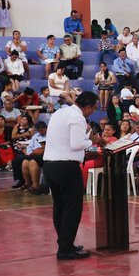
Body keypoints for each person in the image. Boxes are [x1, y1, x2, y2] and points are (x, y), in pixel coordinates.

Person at [42, 91, 99, 259]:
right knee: (72, 208)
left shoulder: (60, 112)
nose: (93, 112)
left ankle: (64, 243)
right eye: (94, 109)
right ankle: (65, 249)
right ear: (87, 107)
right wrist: (92, 141)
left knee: (59, 206)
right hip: (66, 167)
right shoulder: (78, 118)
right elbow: (76, 144)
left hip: (50, 165)